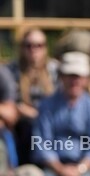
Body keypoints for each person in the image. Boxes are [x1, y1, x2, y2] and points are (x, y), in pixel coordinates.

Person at [32, 52, 90, 176]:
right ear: (61, 77)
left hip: (83, 167)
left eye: (78, 76)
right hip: (53, 166)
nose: (74, 81)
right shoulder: (46, 106)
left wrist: (78, 170)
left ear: (86, 79)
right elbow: (41, 143)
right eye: (70, 75)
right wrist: (60, 169)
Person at [8, 29, 58, 168]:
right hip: (22, 123)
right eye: (28, 45)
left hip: (52, 121)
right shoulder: (12, 70)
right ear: (22, 47)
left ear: (45, 48)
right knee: (28, 128)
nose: (33, 49)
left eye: (38, 45)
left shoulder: (55, 70)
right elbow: (11, 101)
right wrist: (34, 114)